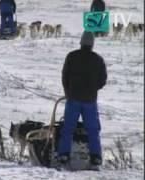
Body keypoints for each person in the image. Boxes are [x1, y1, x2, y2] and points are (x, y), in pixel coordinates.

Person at [57, 31, 107, 169]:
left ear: (81, 42)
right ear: (92, 44)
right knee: (93, 129)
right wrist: (93, 89)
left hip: (73, 99)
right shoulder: (98, 59)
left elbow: (64, 76)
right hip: (90, 100)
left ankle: (63, 155)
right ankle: (95, 158)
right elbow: (103, 80)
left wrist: (68, 91)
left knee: (68, 128)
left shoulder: (71, 56)